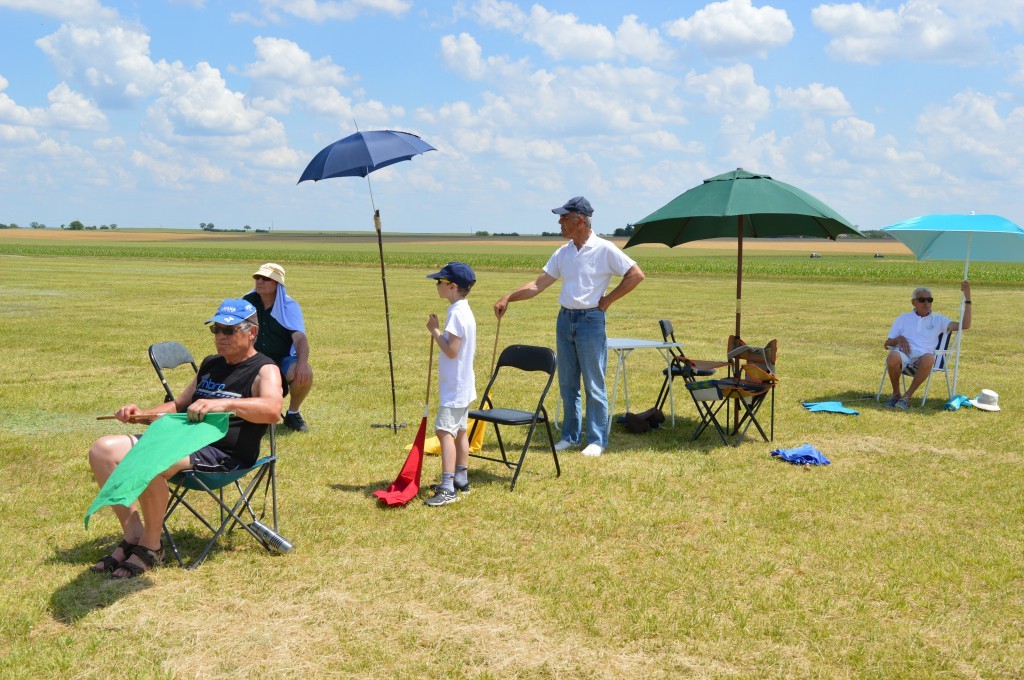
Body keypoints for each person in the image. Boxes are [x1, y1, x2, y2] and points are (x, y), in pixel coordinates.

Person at [88, 299, 283, 578]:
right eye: (216, 330)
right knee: (102, 450)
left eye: (229, 330)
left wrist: (225, 405)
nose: (220, 337)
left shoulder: (264, 369)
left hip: (224, 455)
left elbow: (273, 410)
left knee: (151, 460)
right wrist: (141, 414)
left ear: (251, 332)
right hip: (180, 442)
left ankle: (152, 547)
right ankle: (134, 536)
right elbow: (179, 406)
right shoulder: (211, 364)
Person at [494, 196, 645, 457]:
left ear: (580, 220)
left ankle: (597, 440)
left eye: (564, 218)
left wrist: (608, 300)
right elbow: (537, 285)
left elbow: (635, 274)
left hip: (591, 321)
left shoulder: (605, 249)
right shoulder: (563, 253)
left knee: (594, 384)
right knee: (567, 383)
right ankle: (570, 436)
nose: (559, 222)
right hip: (565, 320)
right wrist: (509, 297)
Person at [423, 262, 477, 507]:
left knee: (444, 432)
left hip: (454, 388)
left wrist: (434, 331)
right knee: (461, 432)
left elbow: (452, 350)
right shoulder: (464, 310)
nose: (436, 286)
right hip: (462, 385)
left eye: (440, 282)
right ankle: (461, 479)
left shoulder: (456, 313)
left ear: (452, 286)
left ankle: (447, 488)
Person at [243, 263, 313, 432]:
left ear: (277, 284)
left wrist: (302, 364)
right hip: (254, 358)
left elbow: (300, 338)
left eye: (266, 278)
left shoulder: (290, 307)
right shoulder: (247, 302)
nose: (259, 281)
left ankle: (293, 413)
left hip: (282, 358)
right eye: (257, 277)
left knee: (304, 373)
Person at [883, 281, 972, 409]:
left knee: (930, 358)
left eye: (929, 300)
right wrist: (898, 339)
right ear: (913, 302)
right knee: (892, 356)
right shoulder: (902, 319)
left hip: (923, 359)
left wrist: (968, 298)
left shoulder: (939, 320)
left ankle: (907, 397)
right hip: (903, 356)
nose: (926, 303)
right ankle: (896, 394)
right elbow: (886, 344)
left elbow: (965, 325)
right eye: (922, 300)